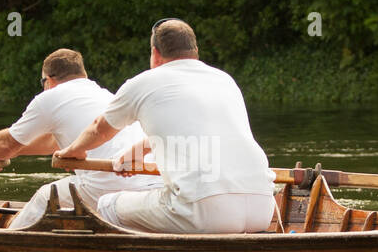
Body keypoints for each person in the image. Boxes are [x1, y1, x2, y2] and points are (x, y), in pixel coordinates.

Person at [55, 19, 276, 234]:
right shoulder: (225, 80)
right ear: (195, 50)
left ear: (155, 53)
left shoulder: (142, 83)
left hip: (205, 210)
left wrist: (73, 150)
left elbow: (99, 129)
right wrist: (143, 148)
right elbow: (198, 127)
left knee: (107, 204)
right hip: (262, 207)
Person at [0, 48, 161, 229]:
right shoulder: (104, 94)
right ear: (82, 75)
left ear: (48, 79)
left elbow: (7, 142)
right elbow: (52, 142)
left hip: (107, 185)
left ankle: (5, 241)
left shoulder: (50, 97)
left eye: (42, 83)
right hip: (146, 183)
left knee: (44, 196)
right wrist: (12, 152)